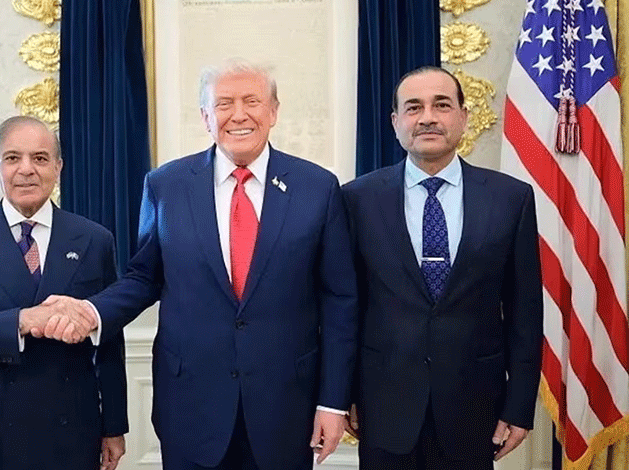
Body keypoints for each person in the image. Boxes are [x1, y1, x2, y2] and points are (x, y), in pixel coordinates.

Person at [38, 59, 358, 469]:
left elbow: (339, 301)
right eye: (223, 104)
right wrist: (90, 311)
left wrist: (333, 402)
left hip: (285, 407)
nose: (238, 115)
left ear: (273, 111)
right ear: (206, 117)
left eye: (252, 101)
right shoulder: (165, 185)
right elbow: (143, 277)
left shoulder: (317, 187)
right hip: (191, 405)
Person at [342, 66, 543, 469]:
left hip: (474, 408)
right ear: (396, 122)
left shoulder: (510, 199)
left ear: (463, 117)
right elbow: (345, 307)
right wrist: (341, 393)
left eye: (442, 105)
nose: (428, 117)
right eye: (413, 107)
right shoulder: (356, 200)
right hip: (383, 406)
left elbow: (525, 312)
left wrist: (520, 406)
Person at [0, 116, 128, 470]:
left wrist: (114, 427)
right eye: (13, 158)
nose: (26, 169)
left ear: (58, 168)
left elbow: (109, 341)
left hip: (70, 431)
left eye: (40, 158)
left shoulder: (95, 239)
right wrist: (22, 321)